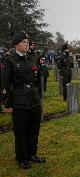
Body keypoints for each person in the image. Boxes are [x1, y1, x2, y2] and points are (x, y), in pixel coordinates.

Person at [1, 31, 46, 169]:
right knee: (21, 130)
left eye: (27, 42)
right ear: (16, 44)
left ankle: (32, 154)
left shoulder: (33, 58)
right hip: (19, 99)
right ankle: (22, 158)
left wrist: (38, 97)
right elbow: (4, 83)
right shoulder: (10, 60)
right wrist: (7, 103)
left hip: (33, 98)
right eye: (24, 42)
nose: (26, 45)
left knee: (34, 128)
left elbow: (38, 81)